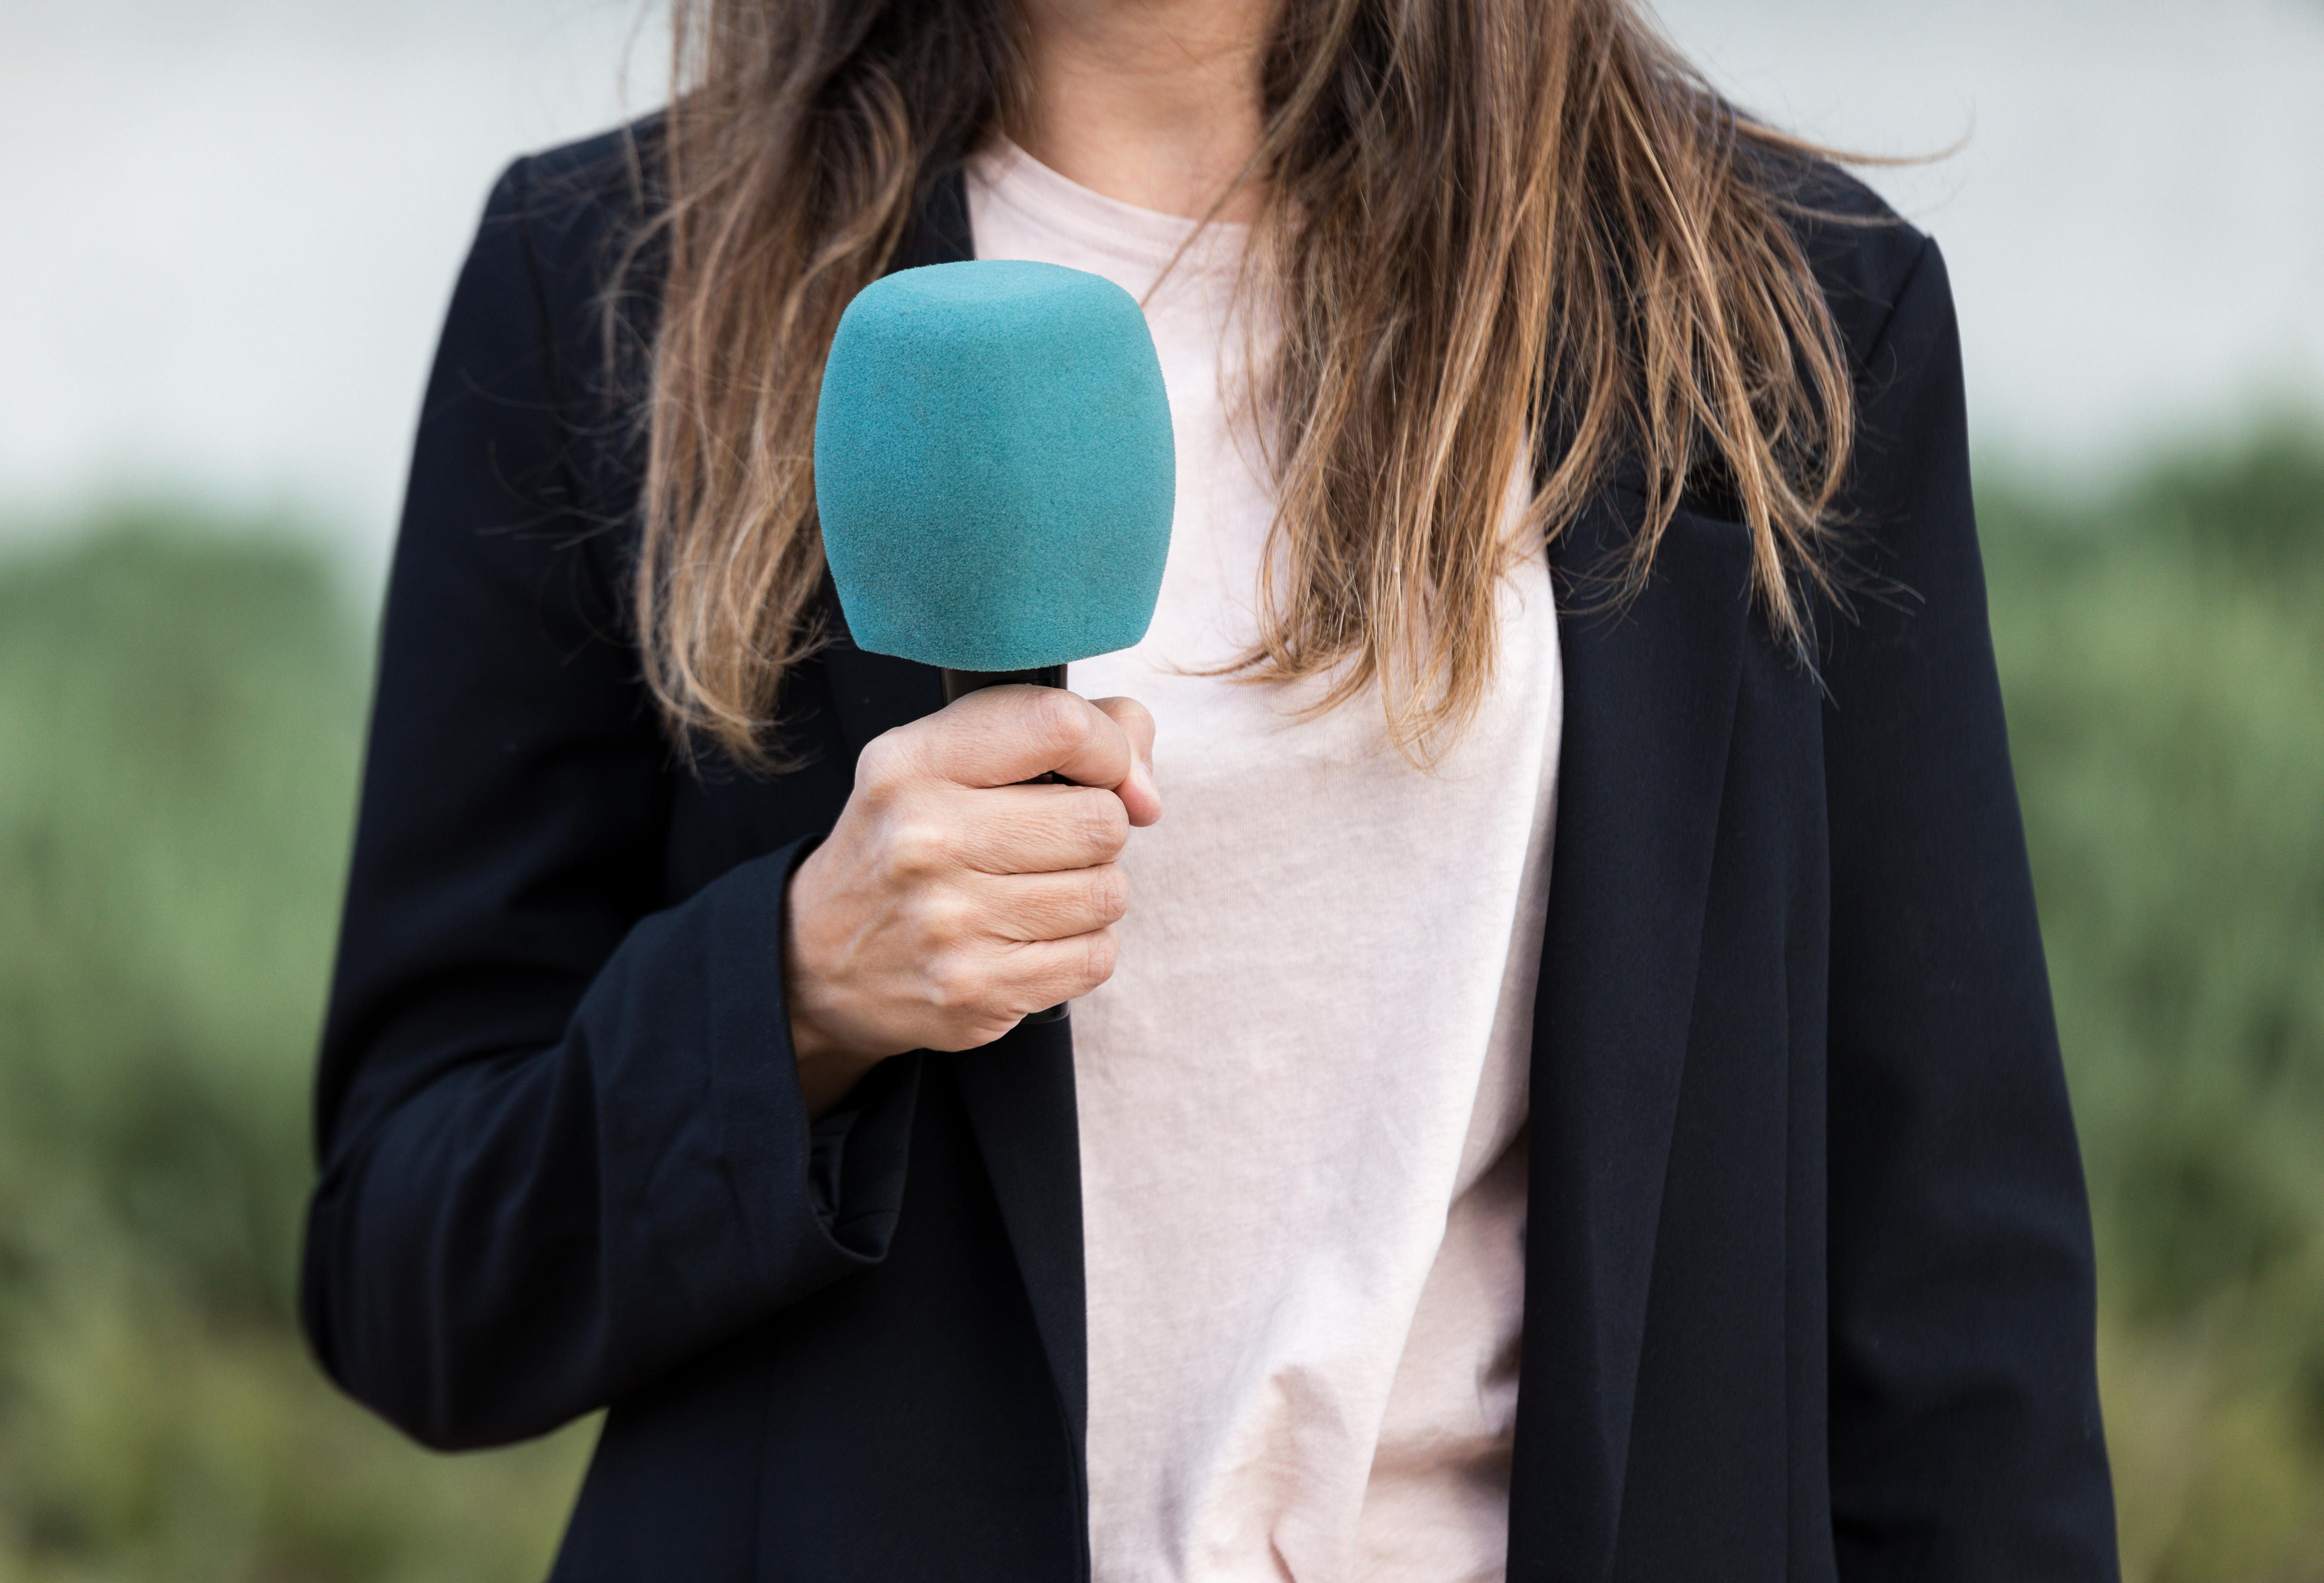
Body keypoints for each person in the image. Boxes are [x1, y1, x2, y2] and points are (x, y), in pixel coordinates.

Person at [301, 0, 2122, 1577]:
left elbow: (1956, 1308)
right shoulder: (619, 283)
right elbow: (408, 1275)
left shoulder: (1775, 311)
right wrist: (787, 1001)